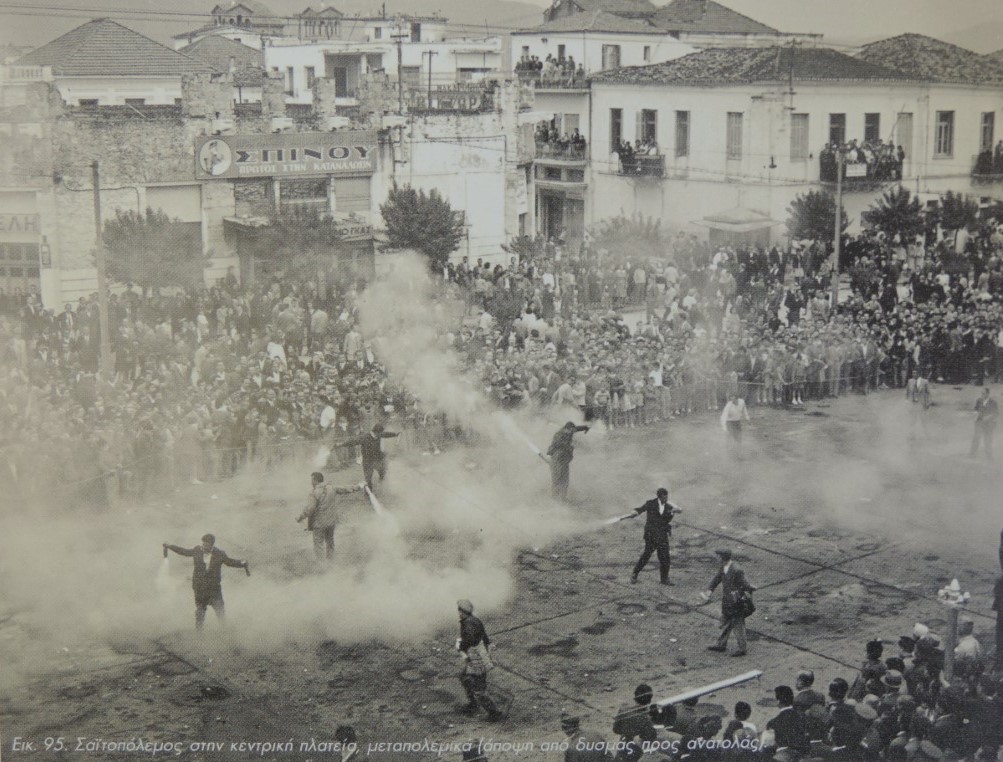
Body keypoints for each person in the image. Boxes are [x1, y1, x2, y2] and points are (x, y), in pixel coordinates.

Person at [163, 533, 248, 630]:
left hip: (214, 589)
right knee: (200, 611)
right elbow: (184, 552)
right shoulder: (197, 550)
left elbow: (230, 562)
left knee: (220, 611)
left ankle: (225, 632)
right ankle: (199, 634)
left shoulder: (219, 554)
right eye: (202, 544)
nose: (203, 547)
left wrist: (242, 563)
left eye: (206, 545)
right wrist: (170, 546)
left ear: (212, 545)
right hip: (199, 588)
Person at [296, 471, 365, 561]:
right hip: (331, 522)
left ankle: (322, 565)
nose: (311, 482)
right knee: (330, 542)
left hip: (319, 524)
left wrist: (300, 517)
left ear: (316, 480)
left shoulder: (314, 493)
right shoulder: (332, 488)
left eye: (312, 480)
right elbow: (347, 489)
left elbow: (309, 510)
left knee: (318, 544)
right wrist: (360, 486)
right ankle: (331, 561)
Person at [702, 548, 756, 657]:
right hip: (728, 601)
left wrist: (750, 589)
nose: (716, 559)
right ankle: (721, 644)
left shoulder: (736, 570)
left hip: (736, 602)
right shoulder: (724, 567)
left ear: (722, 558)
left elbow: (744, 584)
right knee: (728, 623)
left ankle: (742, 648)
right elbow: (717, 579)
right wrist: (709, 590)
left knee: (738, 624)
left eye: (718, 557)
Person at [456, 599, 503, 722]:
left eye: (459, 610)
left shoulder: (468, 624)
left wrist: (461, 645)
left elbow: (471, 640)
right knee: (465, 678)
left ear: (462, 611)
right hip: (477, 657)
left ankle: (494, 713)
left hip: (477, 659)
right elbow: (484, 635)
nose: (458, 612)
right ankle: (473, 704)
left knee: (479, 690)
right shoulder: (474, 620)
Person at [630, 487, 681, 586]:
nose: (665, 500)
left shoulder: (668, 506)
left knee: (665, 558)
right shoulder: (651, 503)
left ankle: (664, 579)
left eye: (666, 497)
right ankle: (635, 573)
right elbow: (640, 509)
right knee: (646, 555)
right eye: (664, 498)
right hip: (651, 535)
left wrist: (673, 512)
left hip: (662, 535)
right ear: (659, 497)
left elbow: (667, 519)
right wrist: (635, 512)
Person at [336, 422, 400, 490]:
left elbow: (386, 434)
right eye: (380, 433)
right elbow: (353, 441)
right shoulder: (365, 437)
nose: (381, 435)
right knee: (368, 479)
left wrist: (395, 434)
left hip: (378, 458)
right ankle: (368, 492)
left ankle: (382, 484)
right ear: (376, 432)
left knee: (382, 472)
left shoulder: (379, 434)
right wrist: (341, 444)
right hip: (368, 461)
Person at [546, 421, 589, 500]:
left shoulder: (569, 431)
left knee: (565, 480)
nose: (573, 432)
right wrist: (572, 445)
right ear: (567, 429)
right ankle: (555, 498)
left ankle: (563, 497)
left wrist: (585, 427)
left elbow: (576, 429)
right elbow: (559, 445)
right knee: (557, 479)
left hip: (564, 461)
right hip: (557, 460)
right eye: (571, 430)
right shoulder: (559, 435)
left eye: (573, 430)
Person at [971, 387, 998, 459]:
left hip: (988, 425)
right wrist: (975, 413)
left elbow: (995, 413)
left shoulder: (993, 402)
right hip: (979, 423)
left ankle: (989, 457)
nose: (982, 395)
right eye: (981, 393)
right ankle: (972, 455)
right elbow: (975, 409)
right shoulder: (979, 400)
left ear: (988, 394)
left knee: (988, 440)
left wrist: (988, 417)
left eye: (983, 393)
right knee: (976, 439)